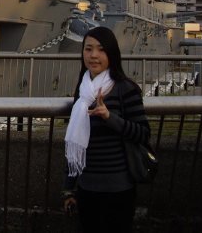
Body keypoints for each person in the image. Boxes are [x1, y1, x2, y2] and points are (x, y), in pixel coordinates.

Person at [62, 26, 150, 233]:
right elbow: (74, 145)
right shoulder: (82, 92)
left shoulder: (125, 89)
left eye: (101, 49)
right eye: (88, 49)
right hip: (86, 188)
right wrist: (68, 189)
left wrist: (110, 117)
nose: (94, 55)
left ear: (111, 53)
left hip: (119, 189)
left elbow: (143, 133)